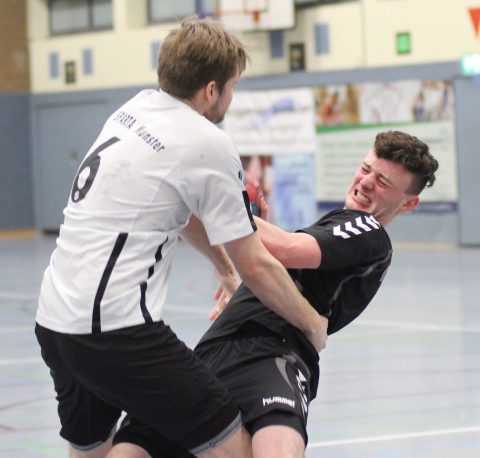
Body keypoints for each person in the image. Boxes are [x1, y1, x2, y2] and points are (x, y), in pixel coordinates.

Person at [34, 17, 328, 458]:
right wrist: (311, 322)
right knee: (233, 447)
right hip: (116, 331)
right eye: (230, 86)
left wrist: (222, 266)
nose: (229, 97)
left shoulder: (133, 109)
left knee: (92, 449)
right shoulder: (205, 139)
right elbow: (259, 264)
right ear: (211, 90)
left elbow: (176, 209)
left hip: (56, 322)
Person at [110, 130, 439, 458]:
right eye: (366, 169)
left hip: (272, 353)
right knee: (130, 446)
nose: (366, 182)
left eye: (382, 181)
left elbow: (283, 248)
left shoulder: (368, 231)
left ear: (408, 203)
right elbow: (263, 254)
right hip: (216, 347)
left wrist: (222, 201)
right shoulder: (336, 230)